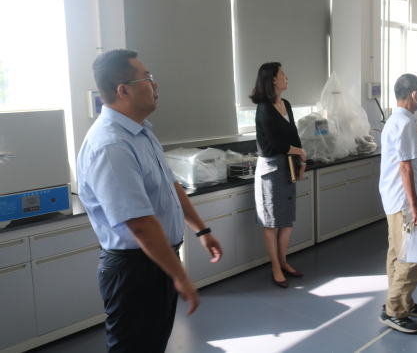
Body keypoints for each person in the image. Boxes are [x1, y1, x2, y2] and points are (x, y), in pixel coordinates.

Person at [77, 49, 223, 352]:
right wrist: (180, 276)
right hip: (135, 271)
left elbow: (171, 186)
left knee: (153, 344)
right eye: (147, 78)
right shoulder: (111, 145)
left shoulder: (141, 132)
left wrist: (202, 230)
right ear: (124, 91)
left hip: (157, 261)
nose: (155, 85)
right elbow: (140, 224)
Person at [378, 73, 417, 334]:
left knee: (396, 252)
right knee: (412, 255)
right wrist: (415, 206)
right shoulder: (406, 123)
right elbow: (406, 168)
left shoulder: (395, 120)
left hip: (393, 198)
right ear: (414, 94)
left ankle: (402, 301)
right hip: (403, 201)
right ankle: (395, 311)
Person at [250, 62, 306, 288]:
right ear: (273, 79)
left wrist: (301, 161)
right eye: (282, 73)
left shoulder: (286, 104)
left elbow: (293, 135)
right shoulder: (264, 108)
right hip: (270, 169)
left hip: (287, 165)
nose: (286, 76)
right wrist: (299, 152)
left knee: (287, 219)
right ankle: (275, 267)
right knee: (271, 222)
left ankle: (283, 261)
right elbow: (275, 143)